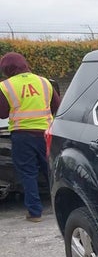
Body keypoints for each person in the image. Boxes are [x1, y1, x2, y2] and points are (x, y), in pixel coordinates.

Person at [0, 52, 60, 222]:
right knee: (50, 170)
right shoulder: (44, 81)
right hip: (46, 133)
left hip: (22, 135)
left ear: (6, 69)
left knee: (28, 173)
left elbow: (3, 114)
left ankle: (35, 213)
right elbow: (57, 105)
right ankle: (61, 206)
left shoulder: (5, 86)